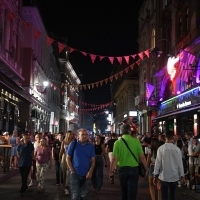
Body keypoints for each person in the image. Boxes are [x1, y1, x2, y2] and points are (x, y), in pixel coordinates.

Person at [109, 123, 148, 200]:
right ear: (130, 131)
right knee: (132, 192)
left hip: (122, 169)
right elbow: (142, 157)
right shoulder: (136, 141)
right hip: (134, 169)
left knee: (124, 192)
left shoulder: (117, 143)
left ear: (121, 131)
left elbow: (114, 159)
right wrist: (146, 168)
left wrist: (111, 171)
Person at [153, 130, 186, 200]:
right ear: (173, 138)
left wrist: (155, 175)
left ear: (165, 137)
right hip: (174, 176)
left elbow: (157, 163)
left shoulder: (161, 149)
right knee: (172, 195)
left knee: (164, 196)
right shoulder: (177, 149)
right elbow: (180, 164)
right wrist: (182, 176)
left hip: (164, 176)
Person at [66, 128, 95, 200]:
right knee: (75, 196)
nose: (85, 136)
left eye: (86, 135)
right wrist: (72, 171)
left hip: (86, 175)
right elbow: (68, 158)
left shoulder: (91, 146)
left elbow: (93, 160)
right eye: (82, 135)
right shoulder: (73, 144)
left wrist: (90, 171)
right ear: (78, 136)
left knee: (83, 195)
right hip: (75, 174)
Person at [59, 131, 74, 195]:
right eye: (70, 134)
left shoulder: (74, 142)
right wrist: (59, 158)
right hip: (65, 157)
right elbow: (61, 151)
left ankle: (69, 186)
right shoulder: (63, 142)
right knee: (64, 172)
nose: (71, 135)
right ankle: (65, 187)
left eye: (72, 134)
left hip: (72, 158)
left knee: (70, 172)